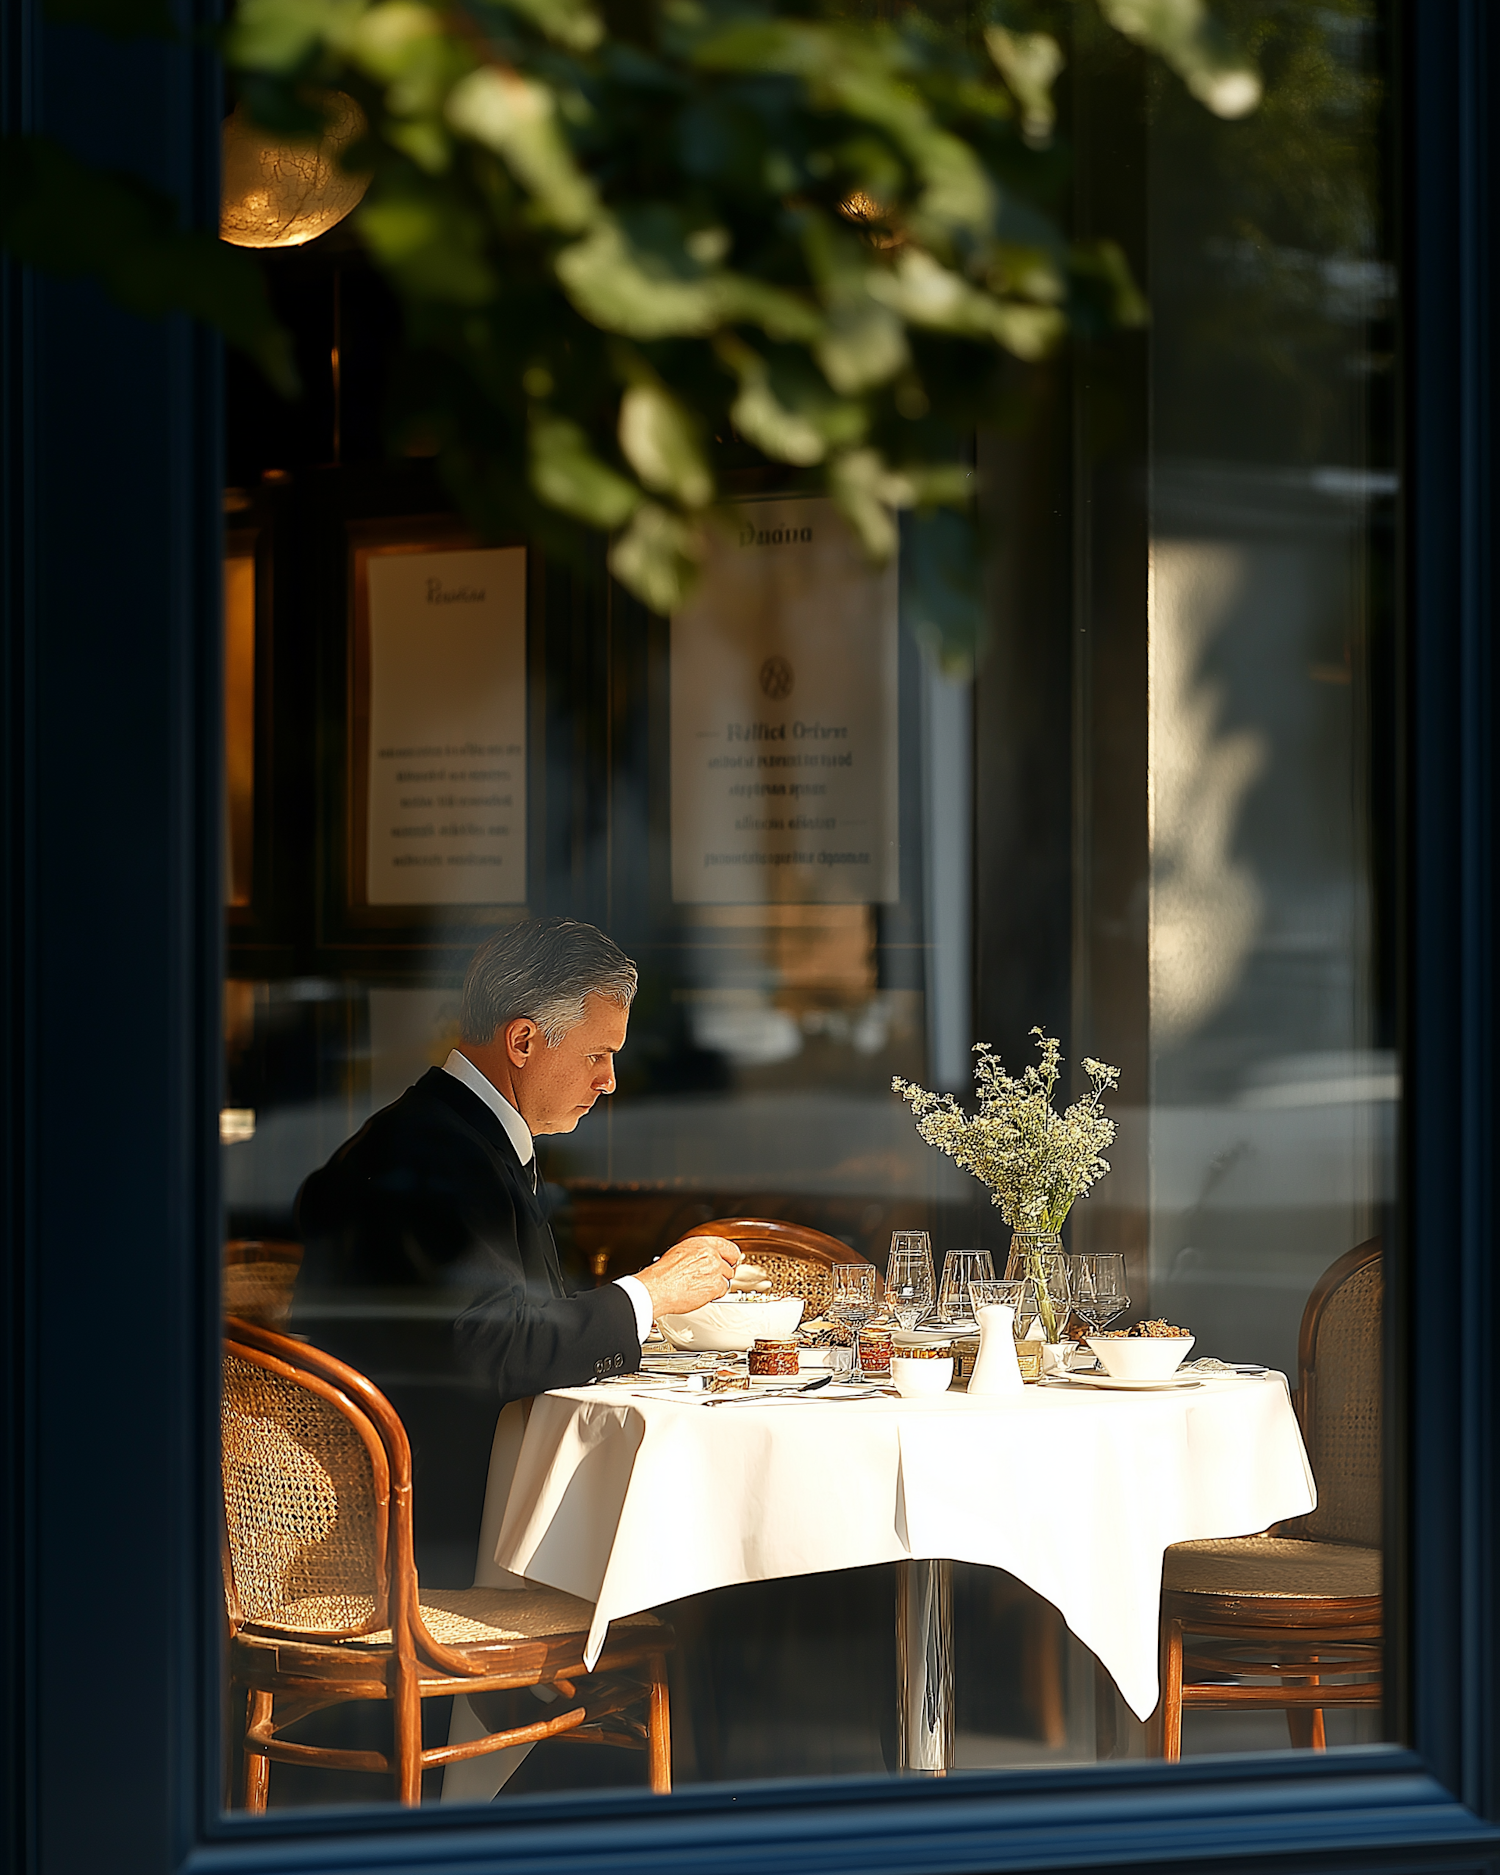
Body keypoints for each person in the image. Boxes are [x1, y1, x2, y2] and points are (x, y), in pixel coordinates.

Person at [293, 917, 738, 1576]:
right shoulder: (427, 1158)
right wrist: (651, 1293)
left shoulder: (455, 1136)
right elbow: (496, 1345)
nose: (610, 1080)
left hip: (463, 1503)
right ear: (524, 1040)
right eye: (597, 1054)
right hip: (419, 1544)